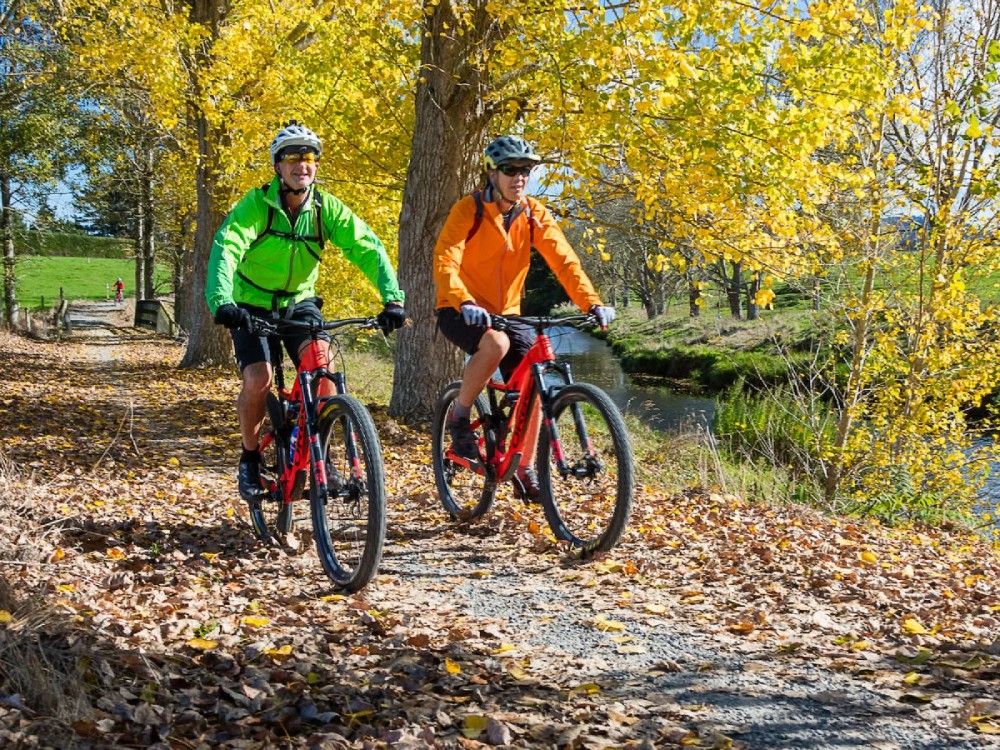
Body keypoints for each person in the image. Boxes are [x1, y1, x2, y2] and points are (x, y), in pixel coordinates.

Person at [206, 121, 407, 502]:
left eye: (310, 157)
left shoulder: (325, 208)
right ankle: (250, 457)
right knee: (258, 378)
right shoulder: (256, 205)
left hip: (300, 303)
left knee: (324, 367)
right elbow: (227, 246)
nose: (303, 164)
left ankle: (319, 452)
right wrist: (223, 302)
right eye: (293, 157)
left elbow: (366, 246)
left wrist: (392, 298)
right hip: (251, 304)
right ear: (278, 166)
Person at [433, 134, 615, 502]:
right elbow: (445, 259)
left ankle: (523, 466)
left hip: (508, 313)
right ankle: (460, 415)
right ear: (492, 173)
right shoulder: (468, 210)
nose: (519, 177)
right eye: (511, 170)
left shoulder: (533, 212)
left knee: (534, 385)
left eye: (526, 171)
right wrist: (463, 298)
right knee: (496, 343)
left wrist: (590, 303)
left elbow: (564, 260)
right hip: (459, 308)